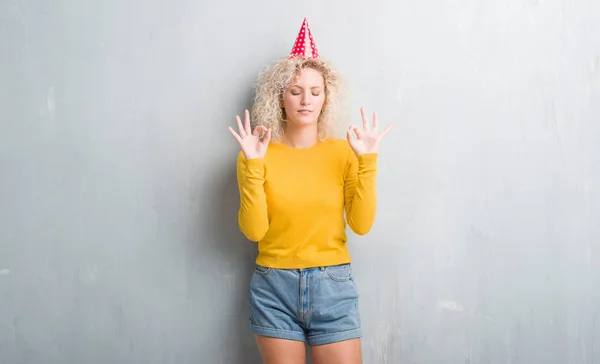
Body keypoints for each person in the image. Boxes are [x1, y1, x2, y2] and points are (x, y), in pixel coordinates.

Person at [227, 18, 392, 364]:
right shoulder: (257, 154)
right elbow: (254, 231)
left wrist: (368, 162)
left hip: (333, 285)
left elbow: (361, 225)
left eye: (315, 92)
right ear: (280, 97)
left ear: (325, 98)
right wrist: (253, 166)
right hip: (274, 287)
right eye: (295, 90)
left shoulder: (344, 153)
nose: (306, 100)